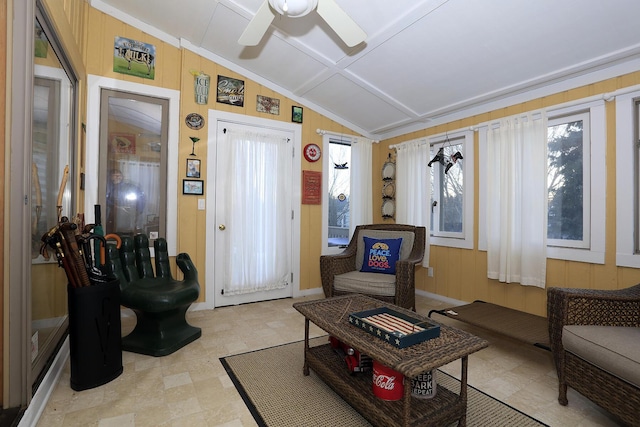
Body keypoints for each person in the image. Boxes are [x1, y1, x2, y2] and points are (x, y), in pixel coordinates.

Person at [106, 169, 145, 235]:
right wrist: (116, 207)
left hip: (128, 218)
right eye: (115, 175)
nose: (117, 177)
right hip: (113, 220)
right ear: (110, 177)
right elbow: (106, 201)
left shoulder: (130, 187)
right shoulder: (109, 188)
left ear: (122, 176)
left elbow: (140, 200)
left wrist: (137, 212)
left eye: (119, 175)